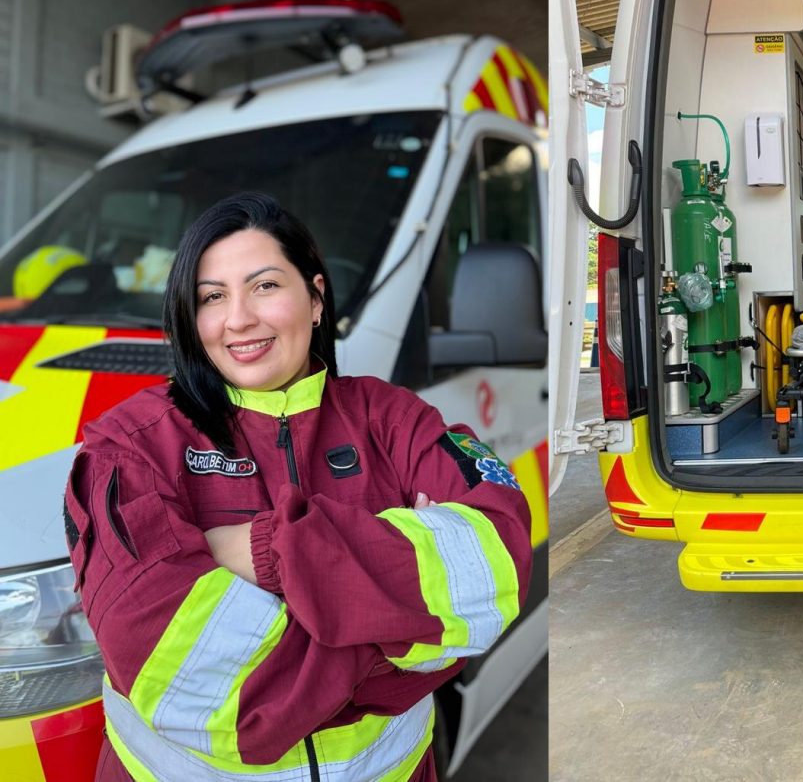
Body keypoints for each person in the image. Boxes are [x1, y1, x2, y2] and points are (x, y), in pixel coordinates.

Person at [63, 191, 532, 782]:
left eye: (264, 286)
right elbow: (200, 690)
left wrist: (265, 553)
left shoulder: (393, 417)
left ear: (314, 298)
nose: (238, 319)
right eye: (212, 297)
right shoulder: (131, 446)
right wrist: (404, 624)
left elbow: (498, 565)